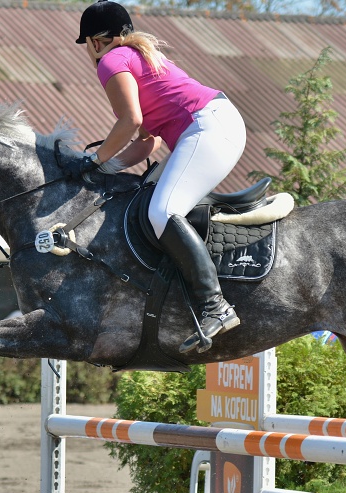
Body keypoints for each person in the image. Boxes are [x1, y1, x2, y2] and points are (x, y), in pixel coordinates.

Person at [66, 0, 247, 354]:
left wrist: (94, 159)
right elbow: (147, 141)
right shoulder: (136, 56)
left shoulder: (111, 61)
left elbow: (130, 121)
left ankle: (215, 305)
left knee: (162, 212)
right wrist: (106, 167)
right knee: (146, 198)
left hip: (208, 128)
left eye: (86, 45)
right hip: (213, 124)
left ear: (95, 42)